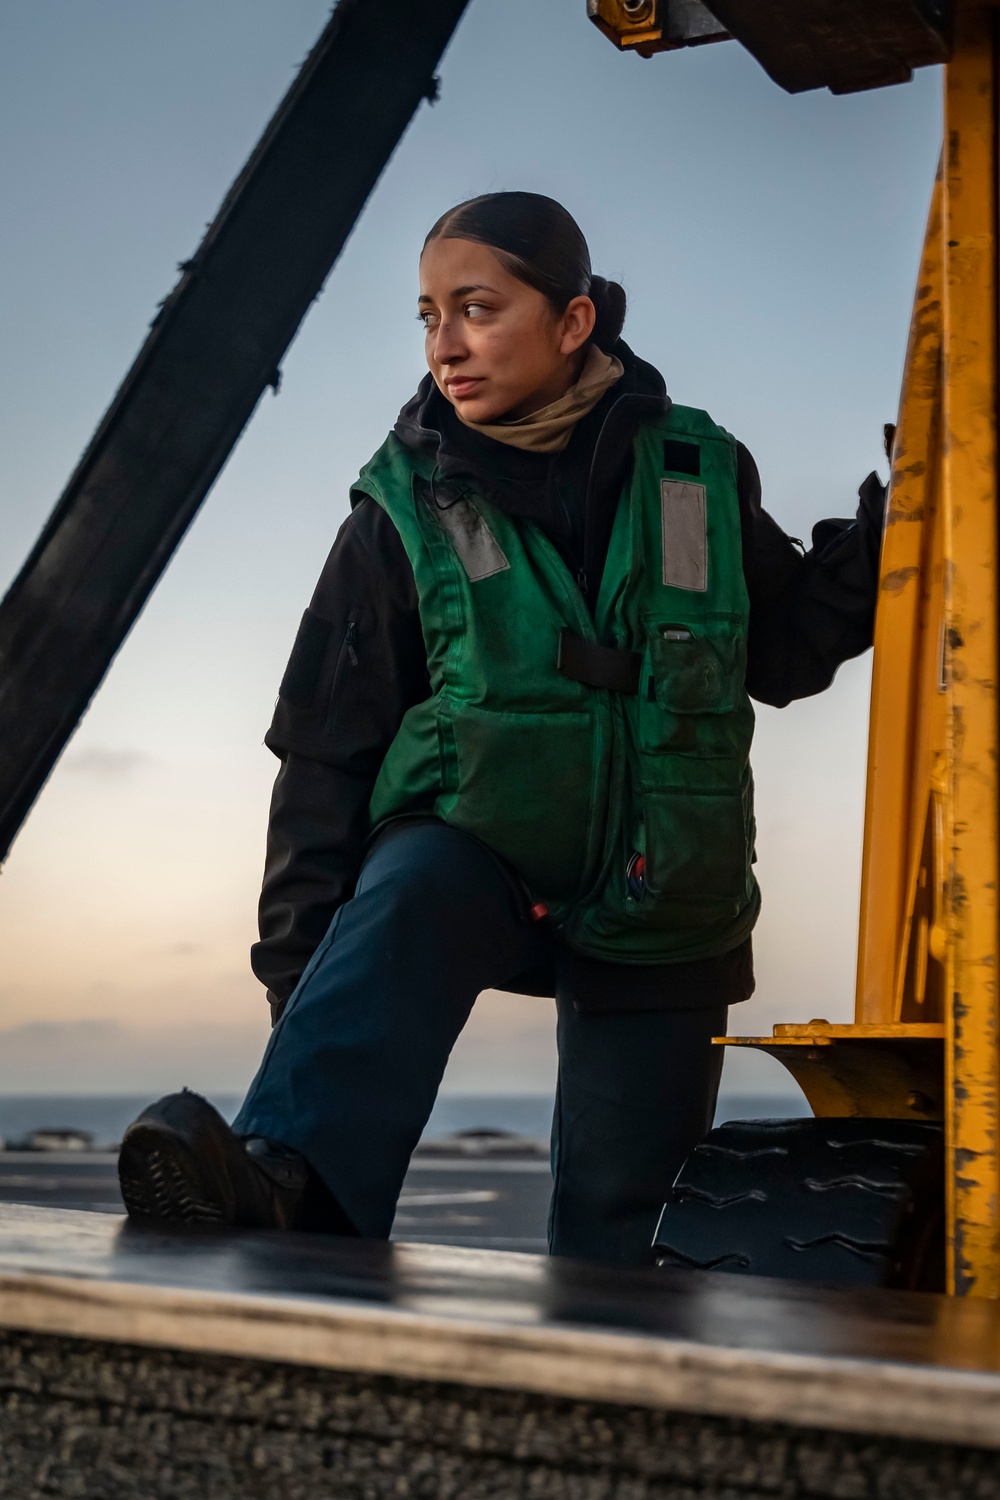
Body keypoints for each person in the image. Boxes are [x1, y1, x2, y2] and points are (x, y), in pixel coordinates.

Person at [118, 192, 885, 1264]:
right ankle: (286, 1180)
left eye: (475, 309)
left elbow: (786, 653)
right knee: (416, 878)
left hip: (662, 886)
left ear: (573, 322)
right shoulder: (400, 508)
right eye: (428, 316)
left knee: (631, 1252)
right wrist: (304, 989)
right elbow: (322, 758)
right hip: (473, 863)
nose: (446, 346)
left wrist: (888, 538)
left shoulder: (694, 476)